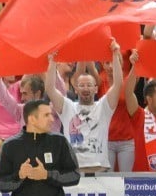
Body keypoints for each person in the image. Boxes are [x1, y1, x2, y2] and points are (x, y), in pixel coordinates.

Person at [45, 42, 123, 172]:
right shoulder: (68, 107)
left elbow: (118, 84)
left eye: (89, 85)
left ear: (96, 89)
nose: (85, 88)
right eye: (81, 85)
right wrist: (53, 61)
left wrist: (115, 55)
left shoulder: (104, 106)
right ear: (75, 89)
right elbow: (50, 89)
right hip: (74, 172)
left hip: (100, 171)